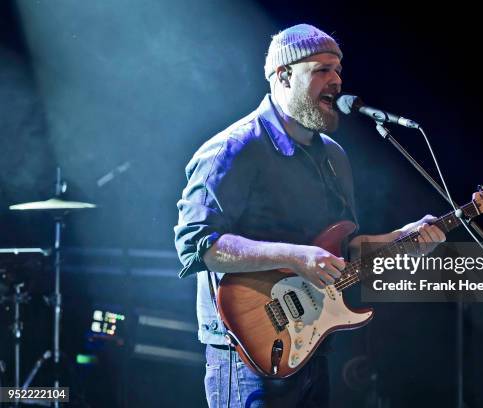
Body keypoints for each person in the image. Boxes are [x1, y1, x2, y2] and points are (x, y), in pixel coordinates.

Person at [174, 23, 445, 408]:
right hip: (248, 351)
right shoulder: (234, 149)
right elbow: (196, 245)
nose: (336, 80)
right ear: (283, 75)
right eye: (321, 70)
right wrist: (295, 257)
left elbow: (342, 249)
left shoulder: (334, 157)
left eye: (338, 69)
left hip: (313, 345)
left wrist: (402, 241)